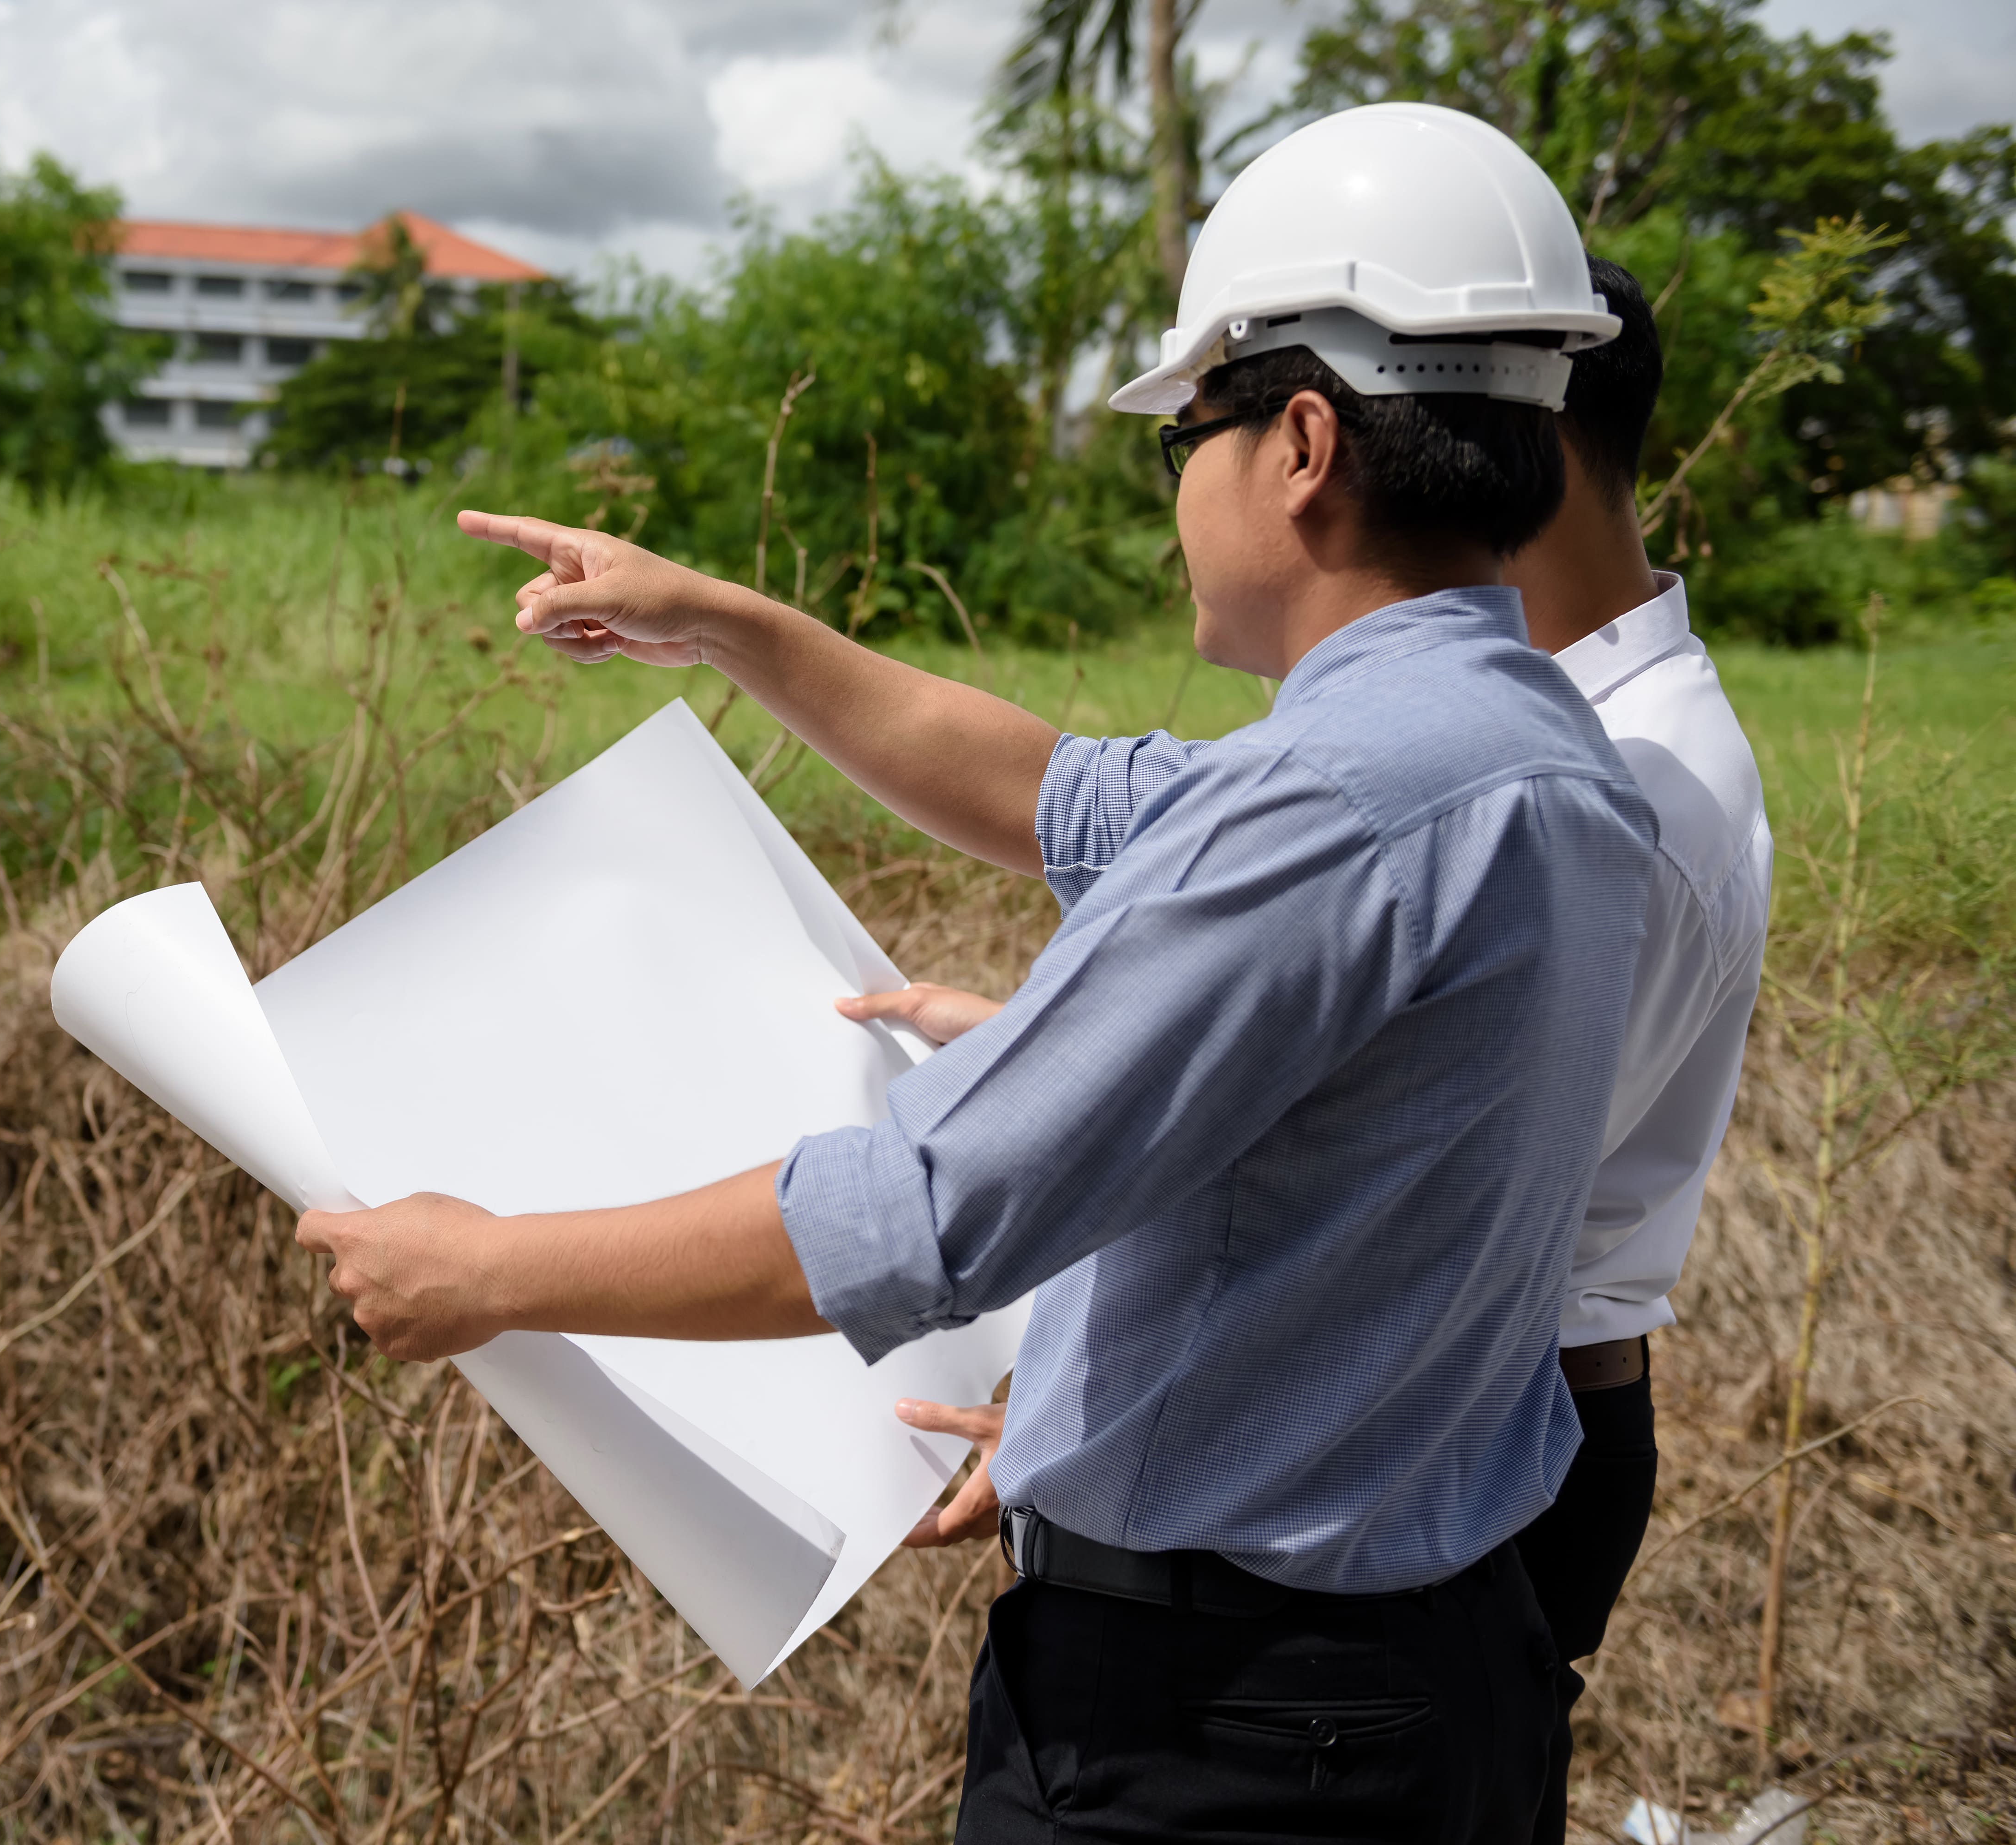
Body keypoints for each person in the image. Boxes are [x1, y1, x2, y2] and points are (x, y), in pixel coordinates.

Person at [296, 103, 1655, 1840]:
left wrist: (488, 1269)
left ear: (1302, 442)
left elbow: (926, 1216)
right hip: (1424, 1685)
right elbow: (1061, 796)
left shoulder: (1333, 807)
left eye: (1190, 433)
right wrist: (723, 620)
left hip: (1227, 1747)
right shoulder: (1526, 749)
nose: (1180, 483)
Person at [875, 257, 1774, 1843]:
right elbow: (1107, 822)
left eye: (1190, 441)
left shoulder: (1615, 777)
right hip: (1418, 1434)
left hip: (1417, 1444)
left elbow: (1422, 1173)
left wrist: (1086, 1091)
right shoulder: (1510, 723)